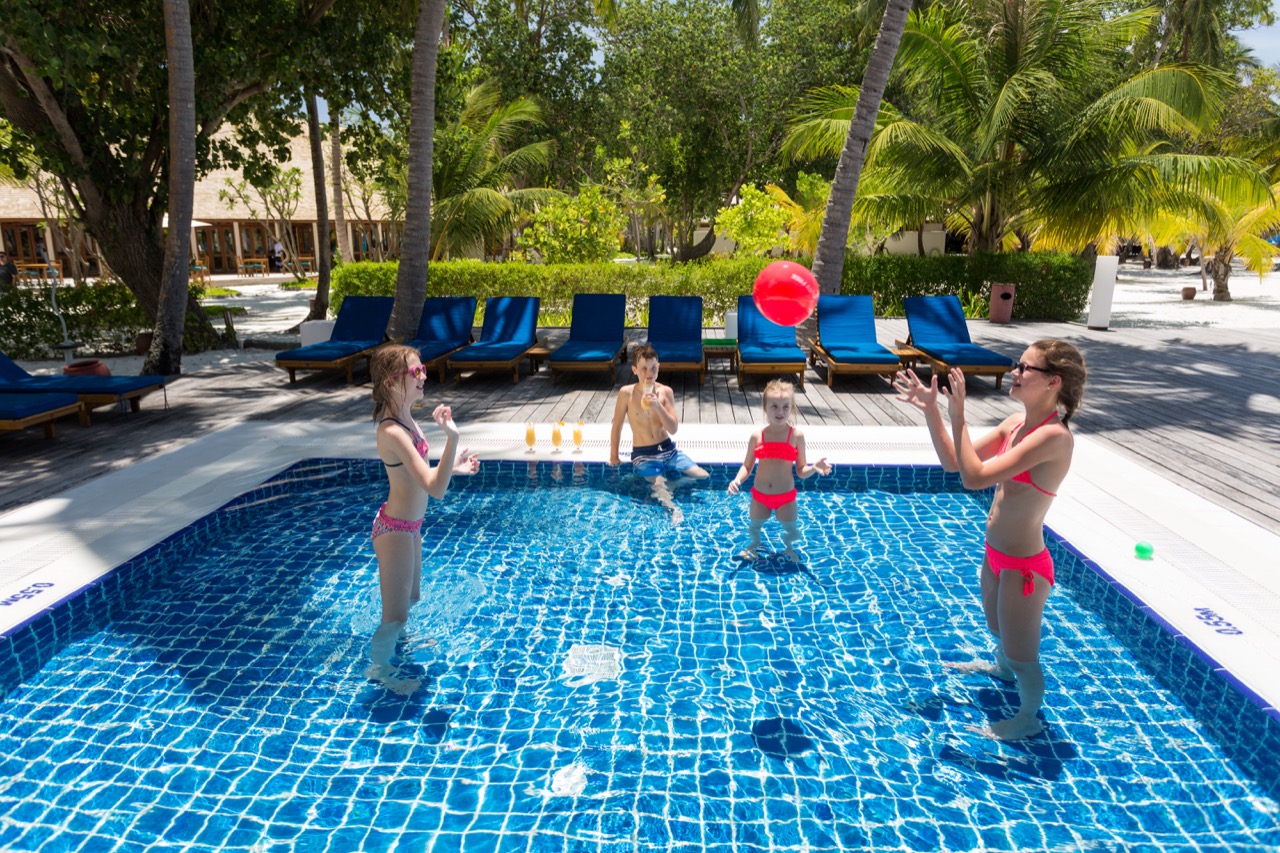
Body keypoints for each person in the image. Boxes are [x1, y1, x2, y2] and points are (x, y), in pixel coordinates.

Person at [893, 340, 1087, 740]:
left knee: (1023, 656)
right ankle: (1001, 669)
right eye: (1018, 364)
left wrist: (959, 415)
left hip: (1024, 567)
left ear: (1053, 381)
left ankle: (1028, 718)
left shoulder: (1053, 437)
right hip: (996, 555)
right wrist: (932, 410)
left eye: (1025, 368)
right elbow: (953, 462)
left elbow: (974, 478)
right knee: (999, 630)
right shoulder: (1015, 425)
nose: (1016, 372)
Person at [368, 344, 480, 693]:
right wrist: (452, 438)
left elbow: (423, 475)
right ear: (391, 382)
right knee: (393, 618)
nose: (423, 377)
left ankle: (400, 648)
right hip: (395, 531)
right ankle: (380, 672)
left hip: (410, 528)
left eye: (423, 370)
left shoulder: (406, 417)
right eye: (415, 372)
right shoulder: (392, 431)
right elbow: (435, 489)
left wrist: (453, 466)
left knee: (412, 600)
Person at [727, 379, 831, 562]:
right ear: (765, 407)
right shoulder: (757, 436)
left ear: (792, 408)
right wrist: (737, 480)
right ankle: (752, 548)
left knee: (791, 531)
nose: (780, 412)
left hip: (786, 498)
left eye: (785, 406)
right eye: (774, 406)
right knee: (754, 528)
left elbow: (801, 470)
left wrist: (814, 468)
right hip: (760, 496)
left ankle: (789, 550)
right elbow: (747, 466)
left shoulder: (796, 436)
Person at [608, 343, 709, 522]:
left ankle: (674, 484)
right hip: (644, 454)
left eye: (653, 368)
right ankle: (674, 510)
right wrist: (614, 456)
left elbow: (673, 429)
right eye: (644, 369)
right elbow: (617, 426)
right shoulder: (626, 394)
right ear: (634, 370)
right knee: (659, 484)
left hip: (668, 450)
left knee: (703, 476)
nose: (649, 373)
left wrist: (657, 406)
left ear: (659, 367)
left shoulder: (665, 392)